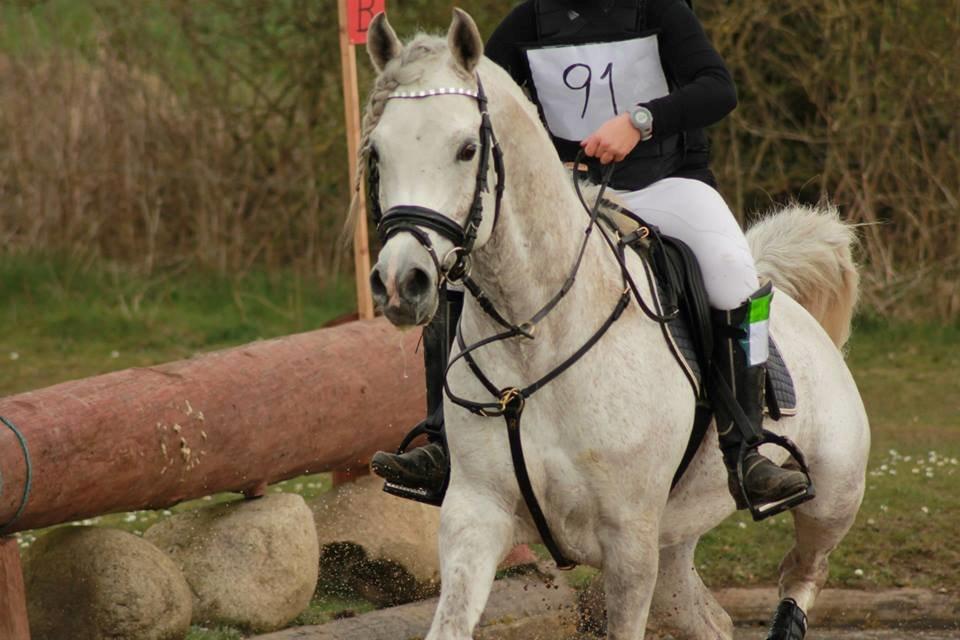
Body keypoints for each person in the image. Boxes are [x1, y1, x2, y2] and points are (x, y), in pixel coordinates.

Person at [371, 0, 812, 514]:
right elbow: (476, 105)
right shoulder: (529, 21)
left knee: (733, 273)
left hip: (664, 184)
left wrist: (641, 121)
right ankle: (442, 445)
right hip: (568, 195)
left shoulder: (659, 9)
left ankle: (746, 450)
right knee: (450, 275)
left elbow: (718, 89)